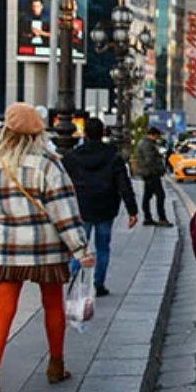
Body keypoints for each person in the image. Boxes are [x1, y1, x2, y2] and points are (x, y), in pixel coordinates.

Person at [0, 103, 93, 392]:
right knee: (52, 305)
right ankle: (55, 365)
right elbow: (64, 212)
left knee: (3, 312)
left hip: (4, 248)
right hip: (45, 247)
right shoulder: (48, 164)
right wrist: (80, 249)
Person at [62, 117, 139, 297]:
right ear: (103, 133)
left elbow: (62, 182)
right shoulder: (113, 156)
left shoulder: (72, 157)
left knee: (79, 245)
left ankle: (73, 278)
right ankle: (99, 284)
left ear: (85, 134)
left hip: (81, 207)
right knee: (103, 247)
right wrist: (132, 210)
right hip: (106, 207)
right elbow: (124, 184)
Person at [134, 127, 171, 227]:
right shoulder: (147, 145)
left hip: (148, 173)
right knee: (160, 195)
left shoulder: (146, 143)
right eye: (157, 136)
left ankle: (148, 218)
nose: (158, 138)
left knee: (147, 196)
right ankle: (161, 218)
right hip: (151, 174)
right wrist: (159, 169)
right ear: (153, 135)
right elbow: (150, 161)